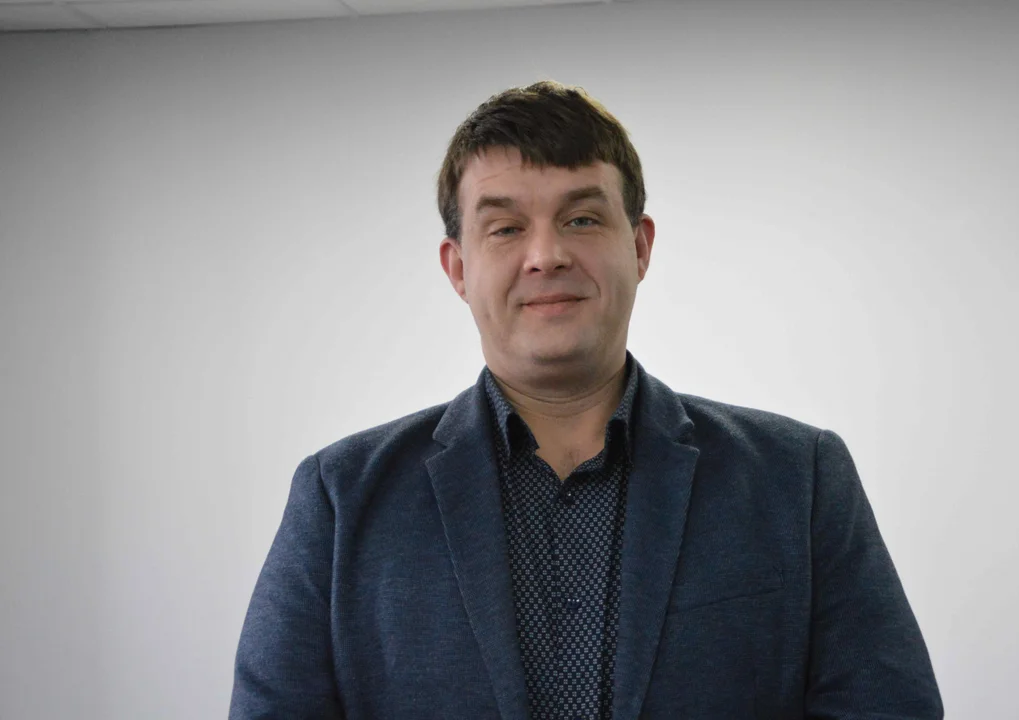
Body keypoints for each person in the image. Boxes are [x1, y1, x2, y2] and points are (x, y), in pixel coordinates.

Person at [229, 80, 943, 720]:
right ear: (458, 267)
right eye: (506, 228)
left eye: (581, 219)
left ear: (640, 247)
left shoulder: (798, 479)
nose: (546, 255)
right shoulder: (342, 498)